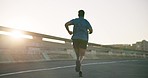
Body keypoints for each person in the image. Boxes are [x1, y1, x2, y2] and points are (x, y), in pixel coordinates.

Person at [65, 10, 93, 77]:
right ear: (84, 15)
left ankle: (80, 68)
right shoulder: (86, 22)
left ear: (78, 14)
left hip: (75, 39)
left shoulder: (75, 20)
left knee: (77, 55)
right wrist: (89, 32)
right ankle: (79, 62)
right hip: (83, 39)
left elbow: (66, 24)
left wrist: (69, 31)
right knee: (82, 55)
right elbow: (91, 30)